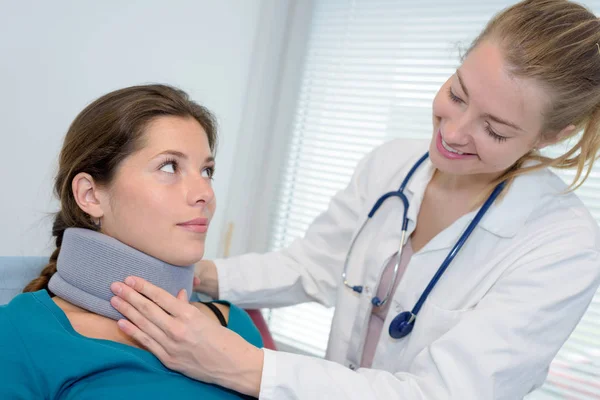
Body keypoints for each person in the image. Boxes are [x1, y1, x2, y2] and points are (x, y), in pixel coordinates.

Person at [109, 1, 600, 399]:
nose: (453, 132)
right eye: (457, 93)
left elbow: (445, 393)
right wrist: (197, 275)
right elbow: (317, 265)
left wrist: (243, 366)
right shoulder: (392, 165)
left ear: (554, 134)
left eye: (493, 129)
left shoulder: (562, 245)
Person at [0, 84, 263, 399]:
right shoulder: (19, 334)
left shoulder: (233, 328)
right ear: (90, 195)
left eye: (207, 171)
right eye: (169, 167)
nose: (205, 193)